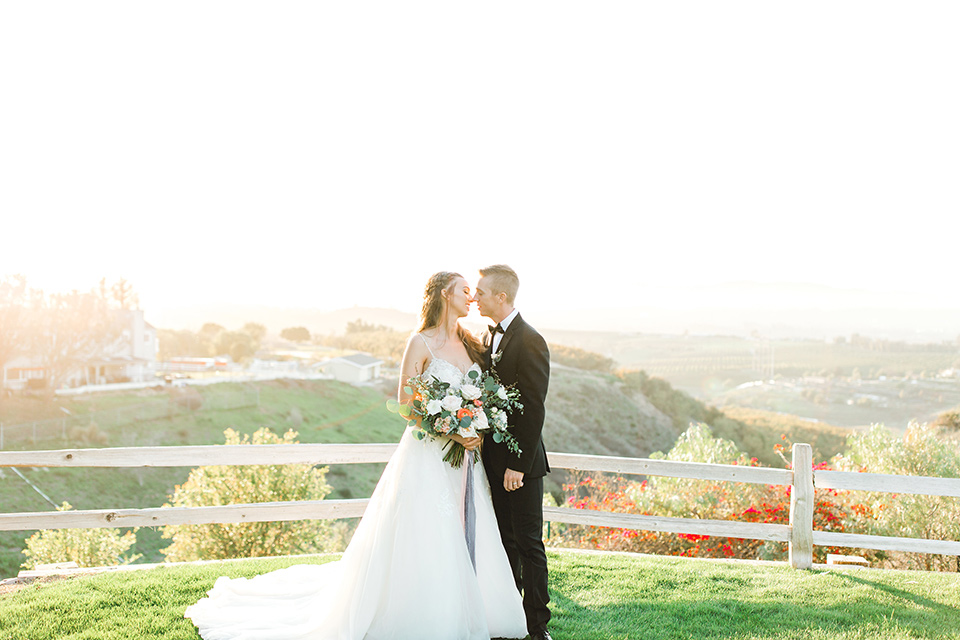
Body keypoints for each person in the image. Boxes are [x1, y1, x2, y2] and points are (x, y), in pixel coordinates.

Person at [185, 271, 527, 640]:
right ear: (446, 294)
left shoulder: (471, 341)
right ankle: (423, 615)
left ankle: (478, 610)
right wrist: (450, 430)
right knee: (426, 532)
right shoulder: (420, 343)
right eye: (464, 291)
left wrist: (474, 425)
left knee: (467, 528)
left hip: (466, 463)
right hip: (430, 456)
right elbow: (407, 406)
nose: (471, 298)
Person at [474, 264, 552, 640]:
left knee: (529, 545)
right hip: (492, 461)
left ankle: (538, 628)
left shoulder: (530, 339)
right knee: (504, 543)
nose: (476, 298)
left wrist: (518, 466)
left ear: (501, 297)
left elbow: (534, 408)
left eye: (482, 293)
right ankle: (510, 619)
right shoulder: (488, 337)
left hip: (521, 465)